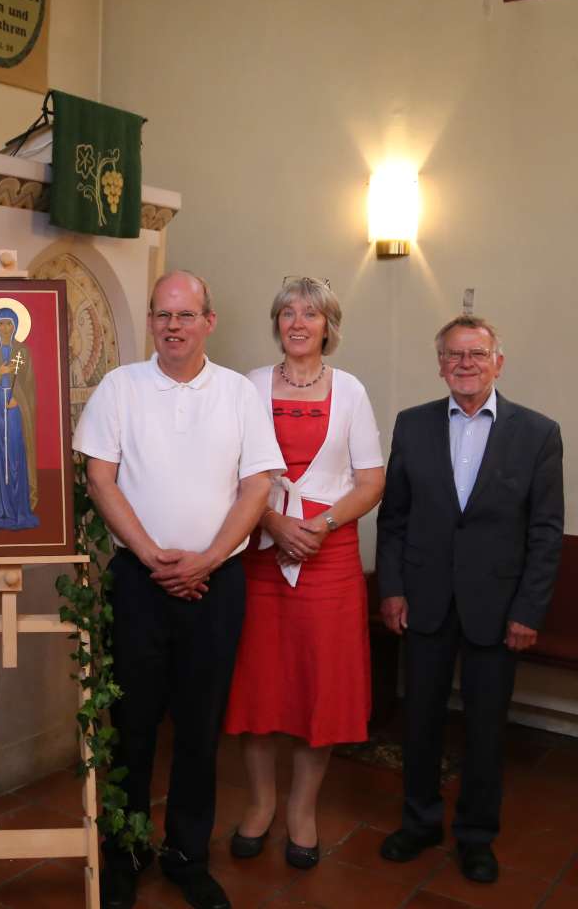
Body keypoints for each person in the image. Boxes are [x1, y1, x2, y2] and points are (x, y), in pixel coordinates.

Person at [73, 271, 284, 909]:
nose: (173, 326)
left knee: (200, 727)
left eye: (186, 315)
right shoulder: (121, 387)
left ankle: (189, 855)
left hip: (217, 585)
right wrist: (150, 555)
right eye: (163, 315)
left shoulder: (239, 394)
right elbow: (100, 478)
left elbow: (257, 486)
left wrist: (208, 561)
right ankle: (125, 852)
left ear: (208, 322)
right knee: (131, 724)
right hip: (139, 583)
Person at [375, 314, 563, 885]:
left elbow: (546, 531)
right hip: (425, 601)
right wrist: (393, 588)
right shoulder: (412, 426)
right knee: (421, 721)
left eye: (477, 354)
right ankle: (421, 822)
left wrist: (529, 610)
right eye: (454, 355)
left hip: (497, 609)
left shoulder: (537, 433)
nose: (465, 364)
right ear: (439, 364)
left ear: (498, 362)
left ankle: (477, 836)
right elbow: (394, 520)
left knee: (484, 730)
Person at [223, 277, 385, 870]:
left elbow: (370, 481)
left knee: (320, 687)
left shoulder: (352, 392)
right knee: (259, 684)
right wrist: (267, 519)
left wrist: (320, 525)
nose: (297, 322)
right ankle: (261, 804)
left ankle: (302, 809)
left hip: (329, 561)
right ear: (277, 323)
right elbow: (231, 470)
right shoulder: (247, 386)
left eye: (310, 314)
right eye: (287, 312)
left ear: (327, 326)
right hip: (261, 557)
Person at [0, 305, 38, 529]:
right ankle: (0, 509)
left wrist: (19, 401)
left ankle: (19, 508)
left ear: (15, 326)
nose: (5, 327)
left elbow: (29, 386)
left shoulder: (23, 352)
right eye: (1, 323)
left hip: (14, 412)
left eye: (9, 323)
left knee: (15, 455)